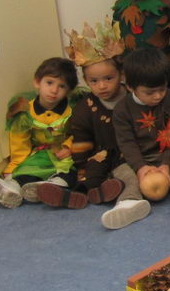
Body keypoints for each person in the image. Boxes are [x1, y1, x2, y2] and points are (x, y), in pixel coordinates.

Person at [107, 47, 170, 229]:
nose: (157, 96)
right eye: (149, 93)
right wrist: (141, 168)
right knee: (124, 171)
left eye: (162, 89)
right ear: (130, 87)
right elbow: (126, 144)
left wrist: (165, 164)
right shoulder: (122, 109)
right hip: (138, 157)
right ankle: (129, 203)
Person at [0, 57, 80, 209]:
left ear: (68, 91)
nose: (54, 90)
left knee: (68, 173)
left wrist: (68, 146)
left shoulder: (71, 109)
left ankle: (50, 188)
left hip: (62, 154)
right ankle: (11, 187)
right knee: (26, 171)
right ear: (38, 82)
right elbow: (20, 141)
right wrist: (13, 167)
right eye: (49, 83)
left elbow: (79, 131)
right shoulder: (26, 110)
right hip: (39, 154)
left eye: (62, 86)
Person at [52, 20, 128, 209]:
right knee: (93, 173)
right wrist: (81, 165)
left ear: (121, 75)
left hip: (129, 153)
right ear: (86, 80)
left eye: (108, 79)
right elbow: (81, 138)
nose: (102, 86)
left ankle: (108, 189)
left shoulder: (131, 99)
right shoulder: (85, 108)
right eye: (94, 81)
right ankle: (79, 194)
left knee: (128, 175)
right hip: (101, 153)